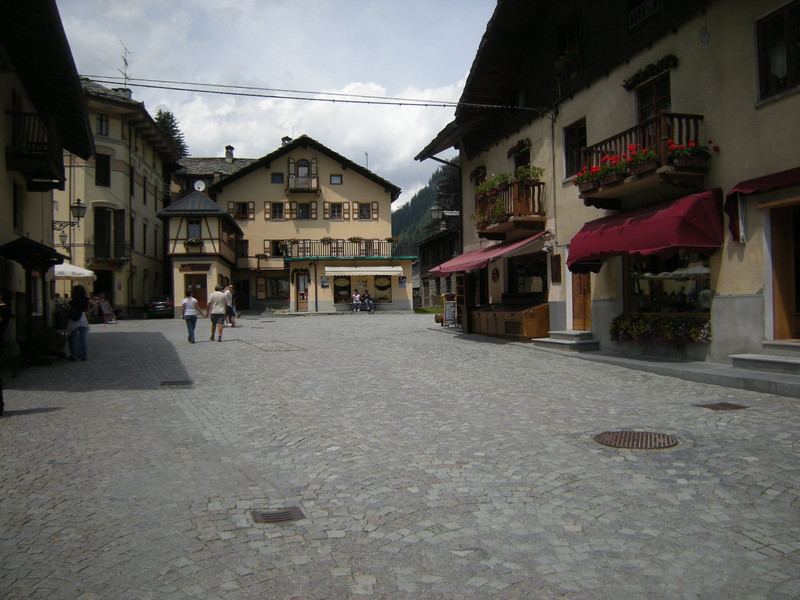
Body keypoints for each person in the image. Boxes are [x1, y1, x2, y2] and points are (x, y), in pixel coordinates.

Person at [66, 285, 98, 361]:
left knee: (74, 338)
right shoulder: (85, 299)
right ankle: (84, 356)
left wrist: (70, 307)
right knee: (83, 338)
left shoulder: (73, 299)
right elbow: (95, 305)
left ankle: (74, 356)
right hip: (83, 317)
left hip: (75, 317)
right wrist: (88, 312)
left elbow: (66, 301)